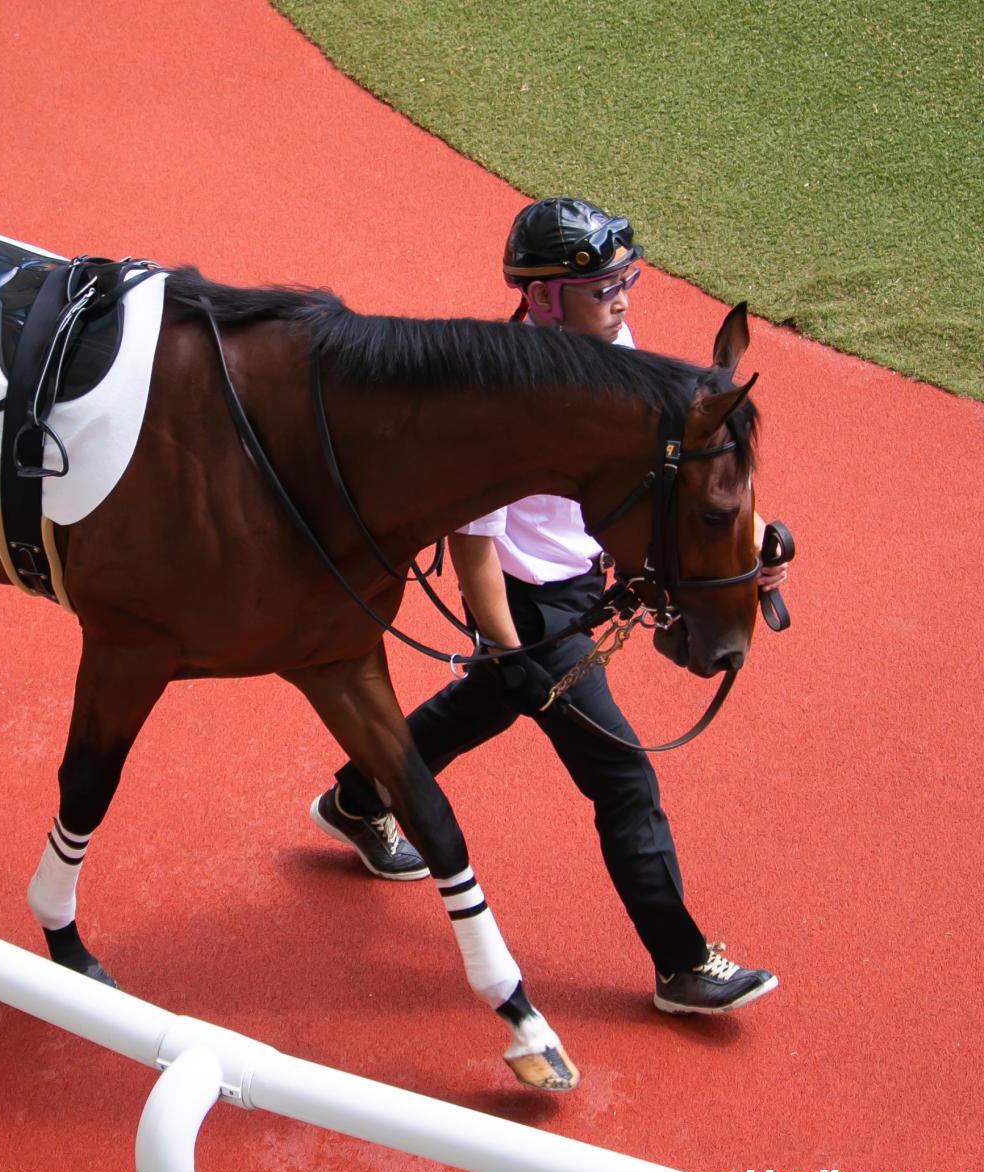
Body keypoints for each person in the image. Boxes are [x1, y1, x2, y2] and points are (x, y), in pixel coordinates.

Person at [310, 197, 787, 1014]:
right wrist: (509, 649)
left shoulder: (610, 351)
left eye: (627, 280)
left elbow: (680, 463)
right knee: (622, 777)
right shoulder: (504, 401)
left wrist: (746, 542)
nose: (622, 298)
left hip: (577, 585)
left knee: (478, 708)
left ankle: (356, 800)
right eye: (603, 288)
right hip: (525, 607)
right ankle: (682, 965)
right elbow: (473, 550)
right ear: (540, 297)